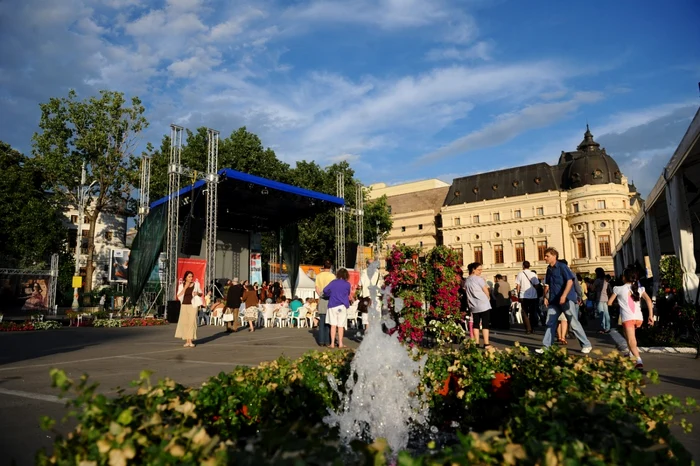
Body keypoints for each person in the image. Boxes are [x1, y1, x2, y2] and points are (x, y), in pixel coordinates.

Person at [536, 248, 592, 354]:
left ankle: (586, 344)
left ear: (554, 256)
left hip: (566, 299)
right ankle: (546, 346)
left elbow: (570, 281)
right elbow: (548, 285)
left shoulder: (562, 267)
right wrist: (546, 297)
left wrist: (564, 295)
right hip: (554, 300)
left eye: (547, 256)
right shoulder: (549, 269)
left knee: (573, 322)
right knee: (550, 322)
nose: (545, 258)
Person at [608, 268, 654, 370]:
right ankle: (630, 354)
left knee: (631, 339)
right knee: (627, 335)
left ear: (623, 277)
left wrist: (619, 304)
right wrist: (651, 316)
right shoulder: (640, 289)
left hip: (627, 318)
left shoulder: (618, 289)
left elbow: (609, 303)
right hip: (639, 318)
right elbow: (649, 301)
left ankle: (638, 360)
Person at [464, 262, 492, 349]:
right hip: (483, 304)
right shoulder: (479, 279)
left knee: (476, 324)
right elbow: (486, 290)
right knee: (485, 323)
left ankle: (476, 342)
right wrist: (488, 298)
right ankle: (486, 343)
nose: (480, 271)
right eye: (479, 270)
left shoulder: (467, 281)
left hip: (473, 305)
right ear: (473, 270)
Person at [323, 268, 352, 349]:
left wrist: (330, 293)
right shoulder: (347, 284)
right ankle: (340, 343)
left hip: (332, 305)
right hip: (342, 306)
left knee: (333, 325)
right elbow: (348, 293)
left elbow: (325, 290)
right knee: (340, 326)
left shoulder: (333, 282)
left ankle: (332, 343)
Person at [175, 271, 201, 348]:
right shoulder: (181, 285)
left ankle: (191, 340)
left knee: (192, 322)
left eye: (191, 276)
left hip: (193, 305)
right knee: (185, 323)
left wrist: (197, 294)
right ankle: (187, 341)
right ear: (185, 277)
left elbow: (201, 293)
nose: (191, 278)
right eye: (189, 277)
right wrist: (185, 288)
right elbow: (178, 295)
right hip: (184, 305)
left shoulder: (196, 284)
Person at [515, 261, 540, 333]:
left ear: (523, 266)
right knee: (532, 312)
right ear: (529, 266)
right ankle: (532, 327)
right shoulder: (533, 274)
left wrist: (518, 294)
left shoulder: (520, 274)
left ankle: (528, 328)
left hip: (523, 295)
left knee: (525, 312)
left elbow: (518, 286)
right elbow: (537, 284)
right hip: (533, 296)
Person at [314, 260, 335, 347]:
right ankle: (328, 341)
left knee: (322, 320)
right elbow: (334, 288)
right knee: (329, 321)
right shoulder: (332, 276)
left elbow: (317, 288)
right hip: (330, 299)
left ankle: (321, 341)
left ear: (323, 266)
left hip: (322, 298)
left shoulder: (318, 276)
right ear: (330, 267)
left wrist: (320, 295)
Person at [593, 268, 611, 333]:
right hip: (606, 298)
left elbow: (592, 288)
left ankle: (602, 328)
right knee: (606, 313)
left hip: (599, 298)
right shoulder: (606, 280)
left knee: (601, 313)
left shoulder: (597, 281)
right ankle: (608, 327)